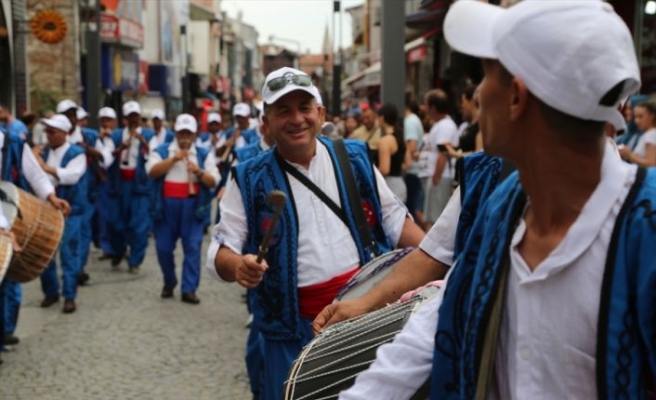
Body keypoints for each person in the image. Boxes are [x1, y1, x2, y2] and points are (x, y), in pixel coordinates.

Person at [339, 1, 654, 399]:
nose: (477, 94)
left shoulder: (646, 228)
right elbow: (439, 318)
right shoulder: (505, 206)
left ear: (516, 98)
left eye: (485, 76)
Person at [206, 66, 425, 400]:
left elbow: (395, 222)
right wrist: (238, 265)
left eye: (305, 108)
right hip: (291, 334)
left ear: (320, 113)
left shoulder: (355, 158)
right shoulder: (248, 179)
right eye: (284, 110)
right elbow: (221, 248)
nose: (297, 119)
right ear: (266, 123)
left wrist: (437, 258)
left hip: (364, 317)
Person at [0, 112, 70, 349]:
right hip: (3, 224)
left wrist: (51, 197)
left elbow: (34, 173)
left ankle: (5, 330)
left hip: (12, 217)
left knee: (8, 280)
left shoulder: (14, 143)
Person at [147, 114, 219, 304]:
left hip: (193, 207)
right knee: (163, 248)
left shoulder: (204, 154)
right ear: (176, 133)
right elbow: (151, 172)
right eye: (181, 133)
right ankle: (169, 281)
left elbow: (214, 181)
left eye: (189, 134)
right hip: (166, 207)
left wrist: (200, 172)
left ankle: (189, 289)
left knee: (193, 247)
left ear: (195, 134)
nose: (185, 138)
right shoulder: (161, 151)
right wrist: (174, 159)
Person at [35, 114, 87, 314]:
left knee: (69, 253)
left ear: (64, 133)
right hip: (47, 209)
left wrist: (43, 167)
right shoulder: (44, 151)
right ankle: (51, 291)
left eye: (52, 132)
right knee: (45, 252)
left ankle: (69, 296)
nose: (48, 135)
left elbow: (71, 176)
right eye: (46, 131)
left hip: (71, 210)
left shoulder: (76, 153)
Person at [106, 101, 154, 273]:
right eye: (130, 117)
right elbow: (107, 157)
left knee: (139, 225)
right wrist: (121, 148)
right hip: (119, 185)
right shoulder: (116, 135)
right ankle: (118, 251)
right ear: (125, 119)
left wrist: (143, 143)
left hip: (139, 185)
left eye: (136, 117)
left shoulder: (149, 135)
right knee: (115, 223)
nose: (134, 120)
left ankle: (135, 259)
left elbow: (155, 155)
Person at [423, 89, 459, 229]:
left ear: (433, 107)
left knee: (434, 218)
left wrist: (436, 177)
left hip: (440, 175)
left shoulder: (445, 126)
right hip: (437, 175)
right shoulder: (440, 124)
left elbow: (443, 153)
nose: (424, 108)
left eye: (426, 105)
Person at [377, 103, 408, 202]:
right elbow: (408, 163)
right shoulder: (400, 137)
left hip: (389, 186)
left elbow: (385, 169)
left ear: (382, 118)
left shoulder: (385, 141)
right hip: (400, 183)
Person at [403, 96, 425, 225]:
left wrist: (406, 163)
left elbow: (412, 146)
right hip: (417, 169)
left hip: (413, 170)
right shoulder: (414, 119)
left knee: (413, 209)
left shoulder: (410, 121)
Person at [618, 99, 656, 166]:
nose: (637, 121)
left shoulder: (650, 135)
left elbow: (652, 164)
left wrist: (629, 155)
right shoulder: (648, 134)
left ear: (652, 116)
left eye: (640, 117)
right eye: (635, 117)